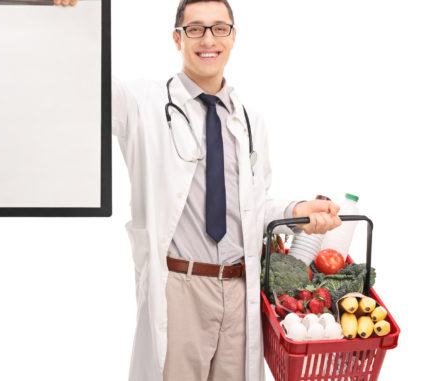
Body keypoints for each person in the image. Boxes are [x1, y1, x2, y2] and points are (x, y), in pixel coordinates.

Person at [56, 0, 342, 380]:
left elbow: (253, 206)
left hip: (241, 291)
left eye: (219, 28)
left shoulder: (249, 120)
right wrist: (71, 15)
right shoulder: (143, 103)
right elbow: (87, 83)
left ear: (233, 37)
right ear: (177, 39)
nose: (208, 39)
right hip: (181, 289)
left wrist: (297, 210)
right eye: (195, 28)